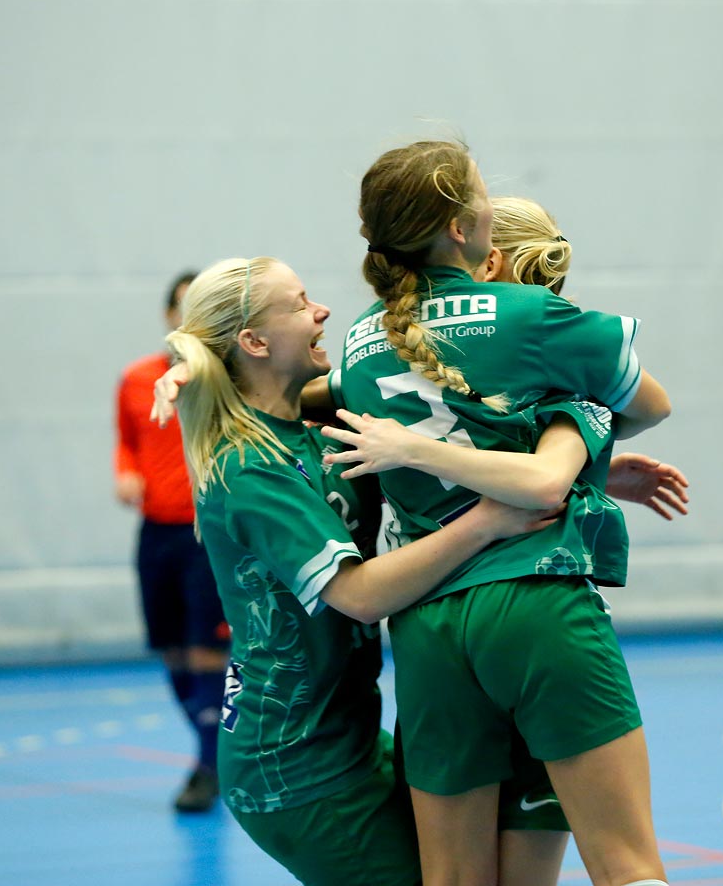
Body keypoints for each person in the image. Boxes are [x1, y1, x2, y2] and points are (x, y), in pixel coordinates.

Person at [332, 140, 674, 886]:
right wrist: (578, 432)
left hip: (424, 625)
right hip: (533, 600)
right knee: (626, 863)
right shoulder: (534, 318)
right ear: (461, 228)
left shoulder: (358, 343)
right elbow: (652, 404)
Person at [165, 256, 556, 886]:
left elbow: (431, 459)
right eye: (297, 303)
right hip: (294, 766)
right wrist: (487, 520)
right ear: (254, 342)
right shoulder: (251, 468)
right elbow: (360, 595)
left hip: (345, 736)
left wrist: (574, 475)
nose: (321, 311)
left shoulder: (312, 436)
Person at [115, 270, 229, 812]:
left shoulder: (224, 381)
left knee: (208, 647)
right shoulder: (136, 380)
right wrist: (125, 472)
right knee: (171, 648)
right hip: (155, 532)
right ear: (167, 316)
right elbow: (128, 442)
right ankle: (211, 748)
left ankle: (210, 765)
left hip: (206, 534)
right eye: (180, 308)